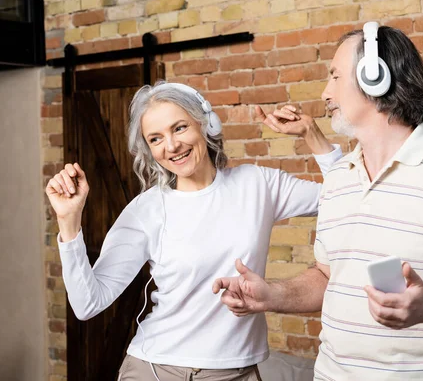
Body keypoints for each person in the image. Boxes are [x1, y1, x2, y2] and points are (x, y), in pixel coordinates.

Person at [214, 22, 423, 380]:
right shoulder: (339, 178)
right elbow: (328, 276)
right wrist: (271, 295)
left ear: (375, 78)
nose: (325, 93)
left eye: (335, 77)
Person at [45, 81, 343, 381]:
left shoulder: (257, 185)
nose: (171, 146)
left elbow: (347, 198)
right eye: (156, 138)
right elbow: (87, 304)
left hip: (234, 371)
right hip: (154, 369)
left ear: (206, 124)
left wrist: (311, 134)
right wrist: (69, 222)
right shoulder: (146, 210)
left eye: (179, 128)